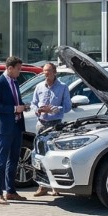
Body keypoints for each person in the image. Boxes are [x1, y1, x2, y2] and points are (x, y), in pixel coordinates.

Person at [0, 55, 29, 204]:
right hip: (4, 128)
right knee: (1, 160)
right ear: (10, 68)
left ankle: (11, 191)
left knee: (14, 160)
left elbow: (16, 101)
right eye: (18, 69)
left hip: (17, 126)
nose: (20, 72)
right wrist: (14, 109)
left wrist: (24, 106)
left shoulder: (15, 82)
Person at [30, 62, 71, 197]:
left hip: (55, 124)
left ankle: (55, 187)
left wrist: (54, 109)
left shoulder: (63, 87)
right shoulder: (39, 86)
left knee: (52, 155)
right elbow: (33, 103)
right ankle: (42, 186)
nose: (45, 74)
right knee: (39, 155)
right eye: (44, 72)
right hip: (41, 124)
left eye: (48, 71)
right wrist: (37, 110)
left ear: (54, 72)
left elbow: (67, 106)